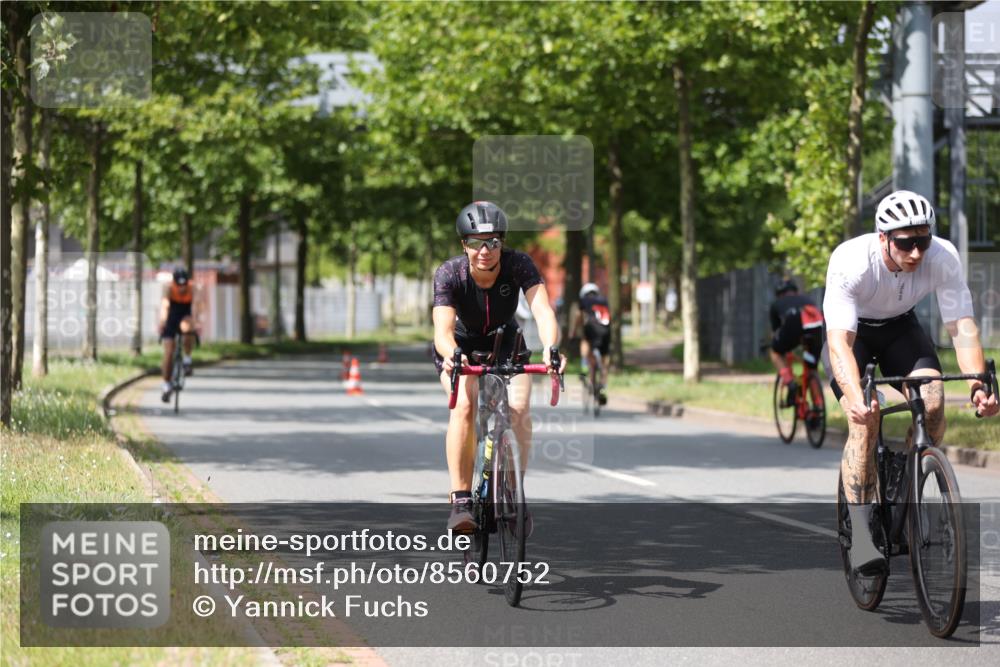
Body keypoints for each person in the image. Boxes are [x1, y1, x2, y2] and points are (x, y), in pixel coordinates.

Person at [823, 189, 998, 575]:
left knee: (932, 402)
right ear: (883, 237)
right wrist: (854, 397)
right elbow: (839, 343)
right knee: (865, 419)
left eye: (923, 241)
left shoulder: (942, 257)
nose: (916, 252)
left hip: (901, 330)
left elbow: (962, 327)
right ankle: (862, 536)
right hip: (854, 336)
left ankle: (905, 480)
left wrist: (977, 386)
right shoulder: (852, 261)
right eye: (906, 243)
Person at [432, 201, 566, 531]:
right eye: (475, 242)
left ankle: (514, 494)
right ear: (464, 244)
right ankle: (461, 501)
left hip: (506, 343)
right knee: (464, 405)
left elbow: (543, 311)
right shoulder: (449, 273)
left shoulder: (518, 264)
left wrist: (551, 348)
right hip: (461, 347)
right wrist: (453, 354)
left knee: (519, 408)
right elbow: (442, 331)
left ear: (502, 243)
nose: (485, 251)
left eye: (492, 242)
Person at [768, 279, 824, 408]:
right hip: (818, 329)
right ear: (795, 291)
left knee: (775, 351)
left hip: (794, 323)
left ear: (779, 294)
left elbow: (777, 331)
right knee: (811, 368)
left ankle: (790, 383)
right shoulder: (807, 300)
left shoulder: (776, 303)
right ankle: (818, 407)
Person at [159, 268, 199, 402]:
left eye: (184, 284)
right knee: (169, 351)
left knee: (187, 328)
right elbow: (165, 305)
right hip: (171, 317)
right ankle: (166, 385)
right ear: (174, 282)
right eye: (179, 285)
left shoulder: (193, 288)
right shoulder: (169, 288)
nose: (182, 288)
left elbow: (196, 306)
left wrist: (196, 322)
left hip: (185, 315)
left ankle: (187, 360)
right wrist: (162, 322)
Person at [570, 282, 611, 405]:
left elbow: (579, 316)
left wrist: (573, 332)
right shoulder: (604, 300)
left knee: (585, 341)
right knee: (604, 360)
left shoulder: (584, 300)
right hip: (606, 331)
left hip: (592, 328)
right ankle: (602, 386)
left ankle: (584, 368)